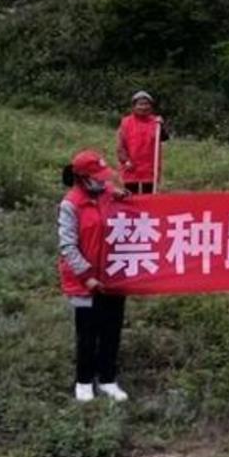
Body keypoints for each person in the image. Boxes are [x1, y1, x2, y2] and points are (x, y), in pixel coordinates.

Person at [58, 148, 129, 403]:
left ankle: (108, 379)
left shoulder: (109, 193)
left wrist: (124, 198)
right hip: (84, 282)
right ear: (82, 178)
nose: (102, 181)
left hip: (113, 276)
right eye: (96, 177)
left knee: (112, 329)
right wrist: (86, 275)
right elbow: (68, 246)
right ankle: (84, 381)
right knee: (88, 333)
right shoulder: (71, 204)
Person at [117, 90, 166, 195]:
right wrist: (125, 160)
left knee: (148, 197)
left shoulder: (156, 122)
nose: (144, 107)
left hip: (149, 168)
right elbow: (121, 145)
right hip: (131, 166)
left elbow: (164, 137)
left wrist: (161, 126)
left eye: (146, 104)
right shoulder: (126, 122)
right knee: (131, 197)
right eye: (140, 104)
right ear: (134, 106)